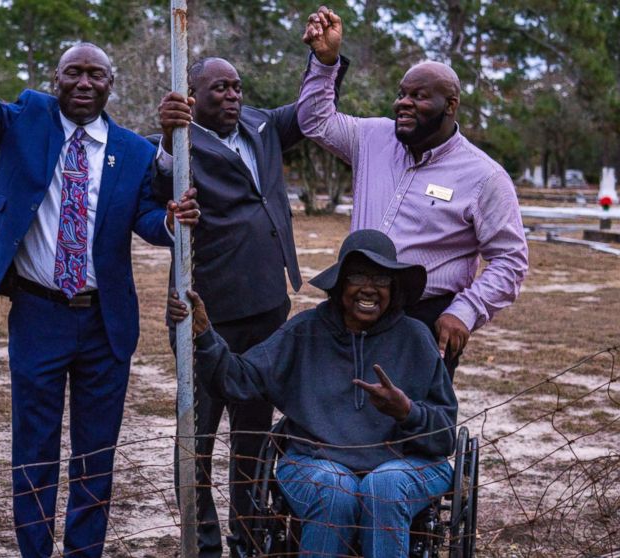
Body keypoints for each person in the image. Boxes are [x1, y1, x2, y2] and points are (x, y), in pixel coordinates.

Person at [0, 2, 200, 556]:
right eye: (72, 72)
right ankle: (35, 550)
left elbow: (146, 220)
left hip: (106, 322)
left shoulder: (132, 150)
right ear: (56, 80)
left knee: (95, 454)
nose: (82, 81)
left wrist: (170, 220)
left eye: (94, 73)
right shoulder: (24, 121)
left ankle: (83, 551)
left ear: (110, 85)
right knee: (35, 448)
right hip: (39, 314)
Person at [154, 55, 347, 556]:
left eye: (237, 85)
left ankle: (249, 538)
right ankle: (205, 543)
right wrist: (166, 138)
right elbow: (160, 186)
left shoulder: (262, 125)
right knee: (195, 439)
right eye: (220, 88)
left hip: (267, 308)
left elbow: (309, 112)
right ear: (191, 97)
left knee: (254, 434)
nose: (233, 95)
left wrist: (324, 63)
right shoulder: (180, 143)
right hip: (205, 314)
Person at [168, 229, 457, 556]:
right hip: (317, 460)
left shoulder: (416, 338)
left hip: (403, 463)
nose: (369, 288)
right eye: (358, 276)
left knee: (384, 487)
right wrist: (206, 337)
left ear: (393, 287)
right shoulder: (305, 331)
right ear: (339, 283)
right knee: (332, 490)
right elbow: (239, 378)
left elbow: (445, 436)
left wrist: (407, 412)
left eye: (381, 279)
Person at [299, 7, 528, 376]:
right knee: (341, 418)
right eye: (401, 94)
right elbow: (315, 121)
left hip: (423, 319)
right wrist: (326, 62)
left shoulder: (485, 177)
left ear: (450, 105)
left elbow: (510, 261)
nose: (402, 103)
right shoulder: (371, 137)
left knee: (412, 428)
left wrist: (464, 312)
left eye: (419, 96)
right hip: (353, 307)